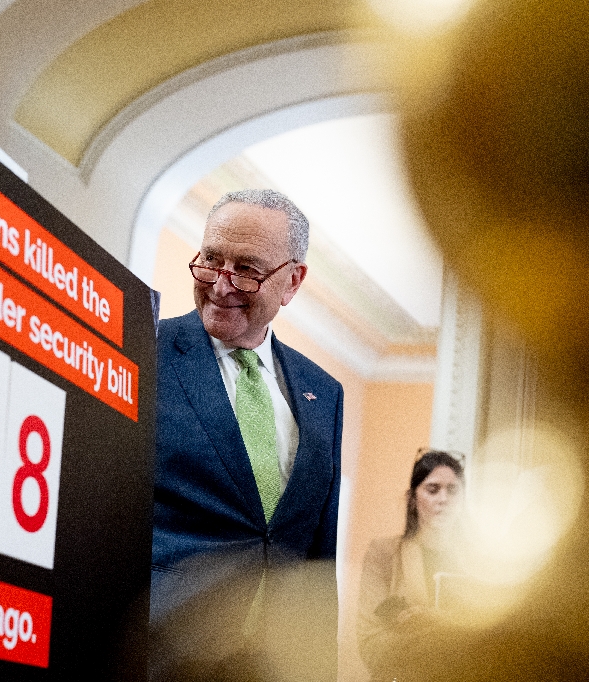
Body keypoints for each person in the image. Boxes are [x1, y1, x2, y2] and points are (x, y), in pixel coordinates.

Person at [150, 189, 343, 679]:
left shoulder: (325, 393)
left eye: (248, 269)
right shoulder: (143, 349)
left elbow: (319, 556)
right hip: (161, 652)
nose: (221, 284)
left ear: (293, 280)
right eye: (211, 260)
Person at [357, 450, 465, 681]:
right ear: (413, 499)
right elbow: (370, 641)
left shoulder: (479, 561)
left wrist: (435, 623)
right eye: (432, 489)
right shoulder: (384, 554)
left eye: (453, 490)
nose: (444, 499)